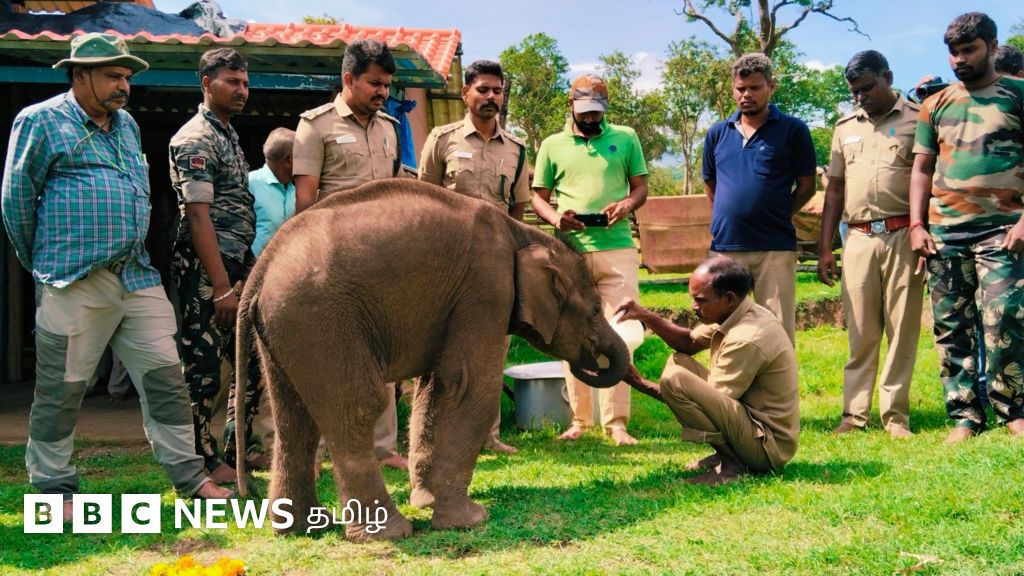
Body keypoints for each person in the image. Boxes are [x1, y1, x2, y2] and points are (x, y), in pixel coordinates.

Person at [1, 33, 233, 520]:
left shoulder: (126, 125)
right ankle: (54, 490)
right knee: (62, 388)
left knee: (167, 379)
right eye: (112, 75)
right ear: (79, 74)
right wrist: (45, 263)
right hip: (73, 279)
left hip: (135, 274)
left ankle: (191, 479)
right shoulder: (40, 121)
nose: (123, 86)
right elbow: (16, 204)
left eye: (126, 77)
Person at [292, 39, 408, 469]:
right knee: (333, 357)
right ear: (348, 79)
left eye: (387, 86)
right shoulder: (315, 126)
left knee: (386, 353)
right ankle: (323, 449)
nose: (382, 93)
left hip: (386, 262)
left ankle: (383, 448)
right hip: (336, 261)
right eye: (374, 84)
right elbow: (305, 203)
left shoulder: (391, 128)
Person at [910, 12, 1024, 443]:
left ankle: (1012, 409)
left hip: (1004, 230)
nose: (959, 59)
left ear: (992, 47)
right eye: (953, 52)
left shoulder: (1017, 94)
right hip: (945, 232)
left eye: (968, 50)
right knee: (951, 325)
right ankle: (964, 415)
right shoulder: (934, 104)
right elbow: (922, 168)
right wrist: (917, 225)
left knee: (1005, 319)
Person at [418, 59, 530, 453]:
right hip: (447, 263)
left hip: (494, 266)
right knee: (439, 348)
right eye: (482, 90)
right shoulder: (442, 138)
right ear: (466, 93)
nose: (491, 97)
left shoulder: (516, 149)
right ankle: (435, 433)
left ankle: (487, 436)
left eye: (497, 91)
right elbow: (424, 200)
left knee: (491, 349)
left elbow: (518, 211)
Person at [531, 74, 648, 446]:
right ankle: (580, 420)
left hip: (617, 248)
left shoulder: (626, 138)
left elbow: (640, 187)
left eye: (597, 113)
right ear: (571, 107)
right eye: (584, 113)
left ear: (606, 109)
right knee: (573, 333)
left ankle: (616, 424)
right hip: (569, 251)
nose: (591, 119)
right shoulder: (552, 145)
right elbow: (538, 196)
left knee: (622, 331)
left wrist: (626, 204)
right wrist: (554, 218)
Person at [616, 256, 799, 485]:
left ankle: (732, 465)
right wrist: (645, 316)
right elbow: (688, 344)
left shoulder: (747, 337)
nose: (694, 307)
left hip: (767, 446)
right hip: (751, 424)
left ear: (729, 298)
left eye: (700, 301)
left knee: (676, 379)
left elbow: (706, 403)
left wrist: (638, 382)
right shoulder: (735, 312)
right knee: (679, 363)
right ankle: (727, 455)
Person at [818, 50, 924, 439]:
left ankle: (895, 417)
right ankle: (854, 414)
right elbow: (835, 189)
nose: (859, 96)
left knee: (902, 328)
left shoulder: (918, 120)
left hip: (903, 236)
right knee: (860, 331)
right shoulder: (844, 127)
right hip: (858, 237)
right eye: (854, 91)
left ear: (888, 77)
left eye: (867, 88)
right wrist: (826, 247)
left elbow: (927, 179)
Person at [169, 47, 261, 482]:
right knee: (203, 366)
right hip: (208, 269)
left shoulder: (227, 133)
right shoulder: (195, 138)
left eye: (244, 82)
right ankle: (201, 459)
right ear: (207, 84)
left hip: (236, 262)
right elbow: (198, 215)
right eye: (232, 82)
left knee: (252, 359)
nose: (242, 90)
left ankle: (234, 448)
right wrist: (221, 286)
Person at [702, 53, 818, 345]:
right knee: (724, 328)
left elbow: (806, 187)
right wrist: (731, 215)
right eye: (741, 89)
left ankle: (779, 392)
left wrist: (778, 213)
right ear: (733, 89)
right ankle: (726, 392)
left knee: (777, 329)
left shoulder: (793, 130)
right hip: (726, 248)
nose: (746, 95)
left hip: (774, 247)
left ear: (771, 86)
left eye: (755, 87)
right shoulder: (717, 133)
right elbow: (711, 184)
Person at [221, 127, 297, 472]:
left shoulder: (304, 188)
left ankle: (274, 445)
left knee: (282, 365)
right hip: (252, 281)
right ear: (288, 160)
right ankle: (237, 446)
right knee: (248, 368)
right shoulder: (250, 184)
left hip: (294, 285)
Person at [249, 127, 296, 258]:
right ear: (288, 160)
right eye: (303, 155)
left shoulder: (298, 191)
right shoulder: (248, 183)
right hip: (251, 269)